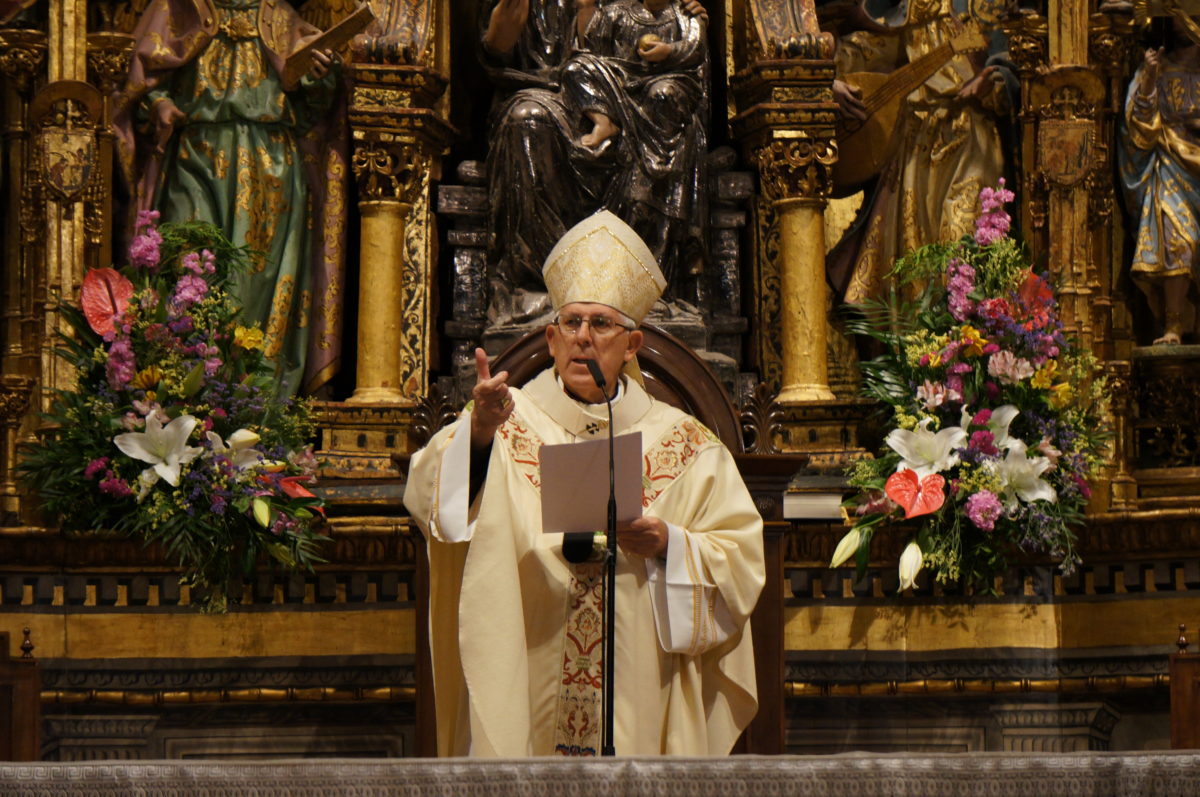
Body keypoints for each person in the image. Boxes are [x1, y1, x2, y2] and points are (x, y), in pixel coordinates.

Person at [403, 210, 764, 757]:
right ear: (549, 338)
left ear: (633, 343)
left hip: (642, 684)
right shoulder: (505, 419)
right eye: (570, 324)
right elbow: (432, 501)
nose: (582, 339)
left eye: (600, 324)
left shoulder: (687, 446)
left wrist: (670, 544)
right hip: (529, 660)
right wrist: (476, 431)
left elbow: (741, 558)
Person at [113, 0, 347, 396]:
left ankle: (249, 408)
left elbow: (315, 114)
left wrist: (318, 77)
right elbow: (132, 84)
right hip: (194, 155)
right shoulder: (177, 11)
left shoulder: (282, 19)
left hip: (270, 167)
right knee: (189, 271)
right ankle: (181, 401)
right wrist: (160, 104)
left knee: (253, 285)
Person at [479, 0, 709, 324]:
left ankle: (639, 283)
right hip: (550, 94)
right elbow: (497, 50)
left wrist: (679, 24)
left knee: (666, 118)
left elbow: (686, 65)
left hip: (631, 94)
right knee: (526, 121)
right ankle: (552, 286)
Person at [826, 0, 1015, 305]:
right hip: (917, 142)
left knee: (966, 236)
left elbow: (1015, 56)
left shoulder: (987, 5)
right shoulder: (916, 7)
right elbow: (875, 49)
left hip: (970, 135)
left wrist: (993, 79)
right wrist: (826, 66)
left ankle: (971, 339)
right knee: (912, 251)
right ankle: (919, 344)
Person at [1119, 22, 1200, 345]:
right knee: (1179, 241)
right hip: (1170, 165)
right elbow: (1139, 131)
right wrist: (1151, 79)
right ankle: (1174, 327)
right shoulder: (1153, 70)